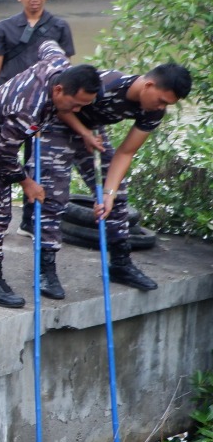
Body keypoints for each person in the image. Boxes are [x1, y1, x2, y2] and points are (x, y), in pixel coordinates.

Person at [0, 39, 100, 307]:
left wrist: (83, 132)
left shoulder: (58, 64)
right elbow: (4, 156)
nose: (77, 111)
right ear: (58, 90)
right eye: (76, 105)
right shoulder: (27, 110)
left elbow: (47, 44)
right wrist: (28, 183)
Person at [37, 62, 190, 296]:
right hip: (60, 122)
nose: (161, 107)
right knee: (53, 195)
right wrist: (84, 133)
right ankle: (45, 271)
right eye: (161, 101)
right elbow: (61, 106)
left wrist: (107, 194)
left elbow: (126, 152)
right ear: (148, 85)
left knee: (117, 194)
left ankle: (120, 263)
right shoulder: (107, 84)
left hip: (93, 130)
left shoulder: (153, 111)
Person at [0, 0, 75, 93]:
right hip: (8, 96)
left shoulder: (60, 27)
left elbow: (65, 69)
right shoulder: (3, 28)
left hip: (44, 97)